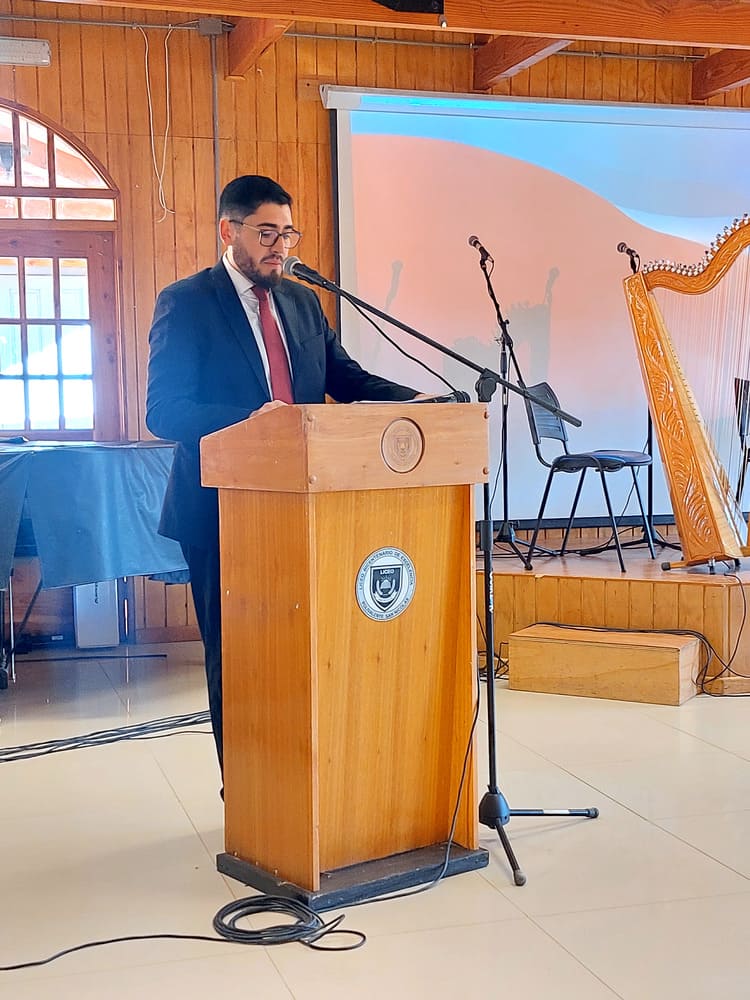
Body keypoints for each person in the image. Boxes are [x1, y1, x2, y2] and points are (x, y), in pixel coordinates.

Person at [145, 174, 419, 771]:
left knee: (307, 649)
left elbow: (344, 378)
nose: (280, 246)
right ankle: (246, 791)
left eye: (288, 233)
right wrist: (252, 420)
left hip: (307, 504)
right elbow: (164, 411)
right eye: (267, 232)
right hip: (221, 510)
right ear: (229, 230)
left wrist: (419, 403)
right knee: (238, 657)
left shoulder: (301, 301)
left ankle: (306, 782)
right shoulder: (187, 302)